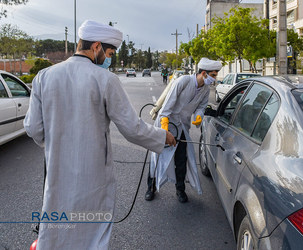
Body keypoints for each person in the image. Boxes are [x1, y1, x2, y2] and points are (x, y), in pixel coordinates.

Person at [24, 20, 176, 250]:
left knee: (57, 232)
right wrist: (162, 136)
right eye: (110, 53)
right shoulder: (106, 79)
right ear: (96, 47)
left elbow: (33, 128)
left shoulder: (43, 77)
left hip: (57, 173)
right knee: (92, 235)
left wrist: (58, 144)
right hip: (93, 176)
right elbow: (132, 128)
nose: (109, 59)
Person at [145, 57, 222, 203]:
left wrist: (198, 116)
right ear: (204, 73)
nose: (214, 78)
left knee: (181, 159)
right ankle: (151, 188)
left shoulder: (205, 90)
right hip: (167, 123)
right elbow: (169, 102)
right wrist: (164, 123)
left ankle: (180, 189)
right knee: (158, 157)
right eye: (213, 75)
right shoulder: (184, 81)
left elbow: (201, 106)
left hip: (182, 128)